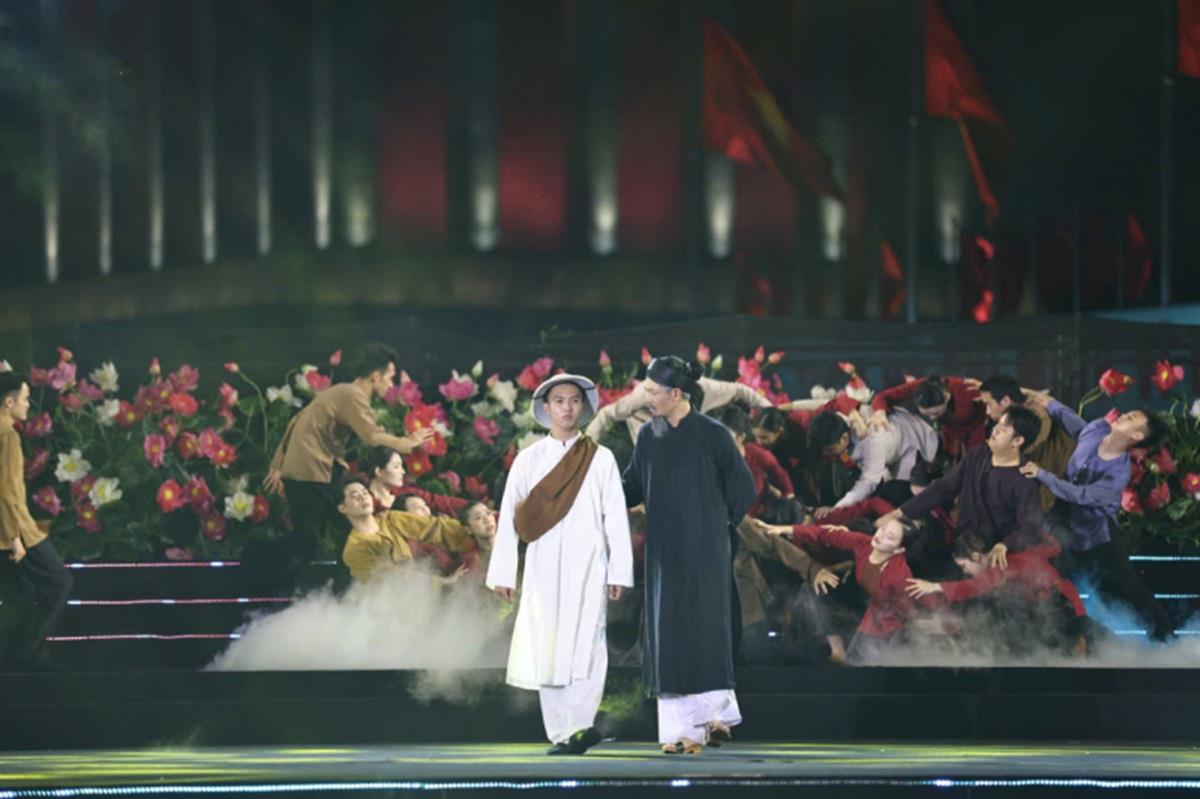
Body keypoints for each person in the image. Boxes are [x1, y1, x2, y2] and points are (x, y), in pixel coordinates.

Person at [487, 374, 633, 756]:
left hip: (589, 564)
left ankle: (582, 726)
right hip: (543, 565)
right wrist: (504, 573)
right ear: (546, 408)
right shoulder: (529, 459)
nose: (567, 408)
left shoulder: (600, 458)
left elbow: (615, 518)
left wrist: (619, 570)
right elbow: (509, 517)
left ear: (583, 407)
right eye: (559, 401)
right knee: (547, 643)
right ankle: (560, 733)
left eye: (574, 401)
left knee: (589, 641)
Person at [622, 356, 756, 754]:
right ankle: (680, 731)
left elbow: (742, 488)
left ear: (677, 393)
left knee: (706, 629)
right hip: (664, 552)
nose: (647, 398)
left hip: (706, 549)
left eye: (653, 391)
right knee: (668, 633)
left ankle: (711, 719)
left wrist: (716, 526)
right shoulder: (648, 437)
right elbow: (631, 486)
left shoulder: (714, 434)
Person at [263, 344, 434, 585]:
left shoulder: (341, 391)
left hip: (307, 470)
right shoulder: (353, 395)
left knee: (312, 539)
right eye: (389, 377)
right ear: (375, 376)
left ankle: (303, 589)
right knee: (349, 528)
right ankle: (355, 588)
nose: (391, 384)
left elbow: (297, 419)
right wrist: (405, 444)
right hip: (313, 470)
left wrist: (278, 464)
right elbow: (372, 436)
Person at [1018, 393, 1174, 641]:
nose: (1124, 415)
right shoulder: (1095, 430)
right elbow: (1061, 412)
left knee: (1129, 587)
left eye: (1131, 418)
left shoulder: (1118, 473)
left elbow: (1080, 495)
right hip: (1063, 523)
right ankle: (1060, 637)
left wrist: (1042, 475)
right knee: (1049, 580)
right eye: (1128, 413)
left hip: (1097, 534)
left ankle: (1166, 637)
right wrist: (1023, 395)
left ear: (1136, 436)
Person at [757, 517, 946, 665]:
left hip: (876, 617)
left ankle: (841, 654)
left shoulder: (898, 575)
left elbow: (917, 604)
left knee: (861, 658)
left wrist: (939, 624)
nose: (880, 536)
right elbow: (826, 534)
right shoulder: (865, 543)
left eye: (889, 537)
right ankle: (819, 646)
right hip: (858, 599)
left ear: (898, 550)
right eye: (883, 529)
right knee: (812, 588)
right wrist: (782, 529)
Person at [879, 407, 1046, 569]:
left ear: (1017, 441)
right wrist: (900, 512)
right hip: (960, 543)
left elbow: (1031, 526)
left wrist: (1004, 545)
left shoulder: (1025, 480)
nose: (994, 430)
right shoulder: (978, 455)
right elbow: (945, 487)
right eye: (997, 424)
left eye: (1002, 429)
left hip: (988, 557)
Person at [906, 530, 1087, 655]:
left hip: (1060, 606)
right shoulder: (1020, 553)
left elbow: (975, 586)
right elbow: (1054, 546)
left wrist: (936, 587)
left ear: (976, 556)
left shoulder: (998, 565)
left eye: (964, 566)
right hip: (1068, 601)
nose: (966, 572)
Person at [0, 372, 72, 670]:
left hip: (11, 528)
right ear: (9, 402)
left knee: (19, 595)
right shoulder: (7, 437)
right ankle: (26, 653)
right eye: (25, 399)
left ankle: (22, 656)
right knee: (59, 581)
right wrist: (14, 538)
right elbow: (6, 492)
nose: (28, 405)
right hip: (14, 530)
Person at [338, 477, 478, 583]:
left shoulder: (391, 519)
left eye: (365, 492)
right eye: (354, 496)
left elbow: (433, 527)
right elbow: (392, 579)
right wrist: (443, 582)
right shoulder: (354, 549)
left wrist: (475, 534)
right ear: (343, 508)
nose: (363, 497)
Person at [807, 406, 938, 515]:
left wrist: (837, 509)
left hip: (910, 443)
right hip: (889, 440)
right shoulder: (837, 423)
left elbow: (868, 483)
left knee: (902, 496)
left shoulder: (874, 442)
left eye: (829, 449)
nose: (826, 454)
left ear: (844, 438)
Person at [976, 375, 1074, 511]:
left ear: (1005, 401)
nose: (987, 411)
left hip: (1053, 495)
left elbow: (1027, 452)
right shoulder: (1024, 412)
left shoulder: (1036, 419)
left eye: (988, 404)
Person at [586, 373, 772, 445]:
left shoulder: (708, 389)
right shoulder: (644, 396)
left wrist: (771, 412)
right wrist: (583, 451)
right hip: (645, 423)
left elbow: (741, 391)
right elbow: (606, 414)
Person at [868, 375, 987, 463]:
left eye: (936, 413)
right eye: (927, 414)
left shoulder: (967, 389)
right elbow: (882, 397)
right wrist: (880, 412)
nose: (932, 418)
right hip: (950, 442)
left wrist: (988, 391)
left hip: (980, 434)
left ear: (947, 397)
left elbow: (996, 401)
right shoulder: (922, 388)